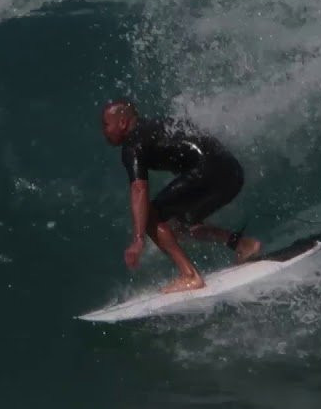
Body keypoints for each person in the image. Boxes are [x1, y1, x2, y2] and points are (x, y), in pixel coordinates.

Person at [101, 99, 261, 293]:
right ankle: (243, 245)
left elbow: (139, 189)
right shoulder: (158, 125)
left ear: (122, 122)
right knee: (177, 226)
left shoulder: (132, 145)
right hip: (232, 172)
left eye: (106, 125)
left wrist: (138, 239)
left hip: (209, 173)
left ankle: (190, 275)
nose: (104, 131)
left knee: (150, 216)